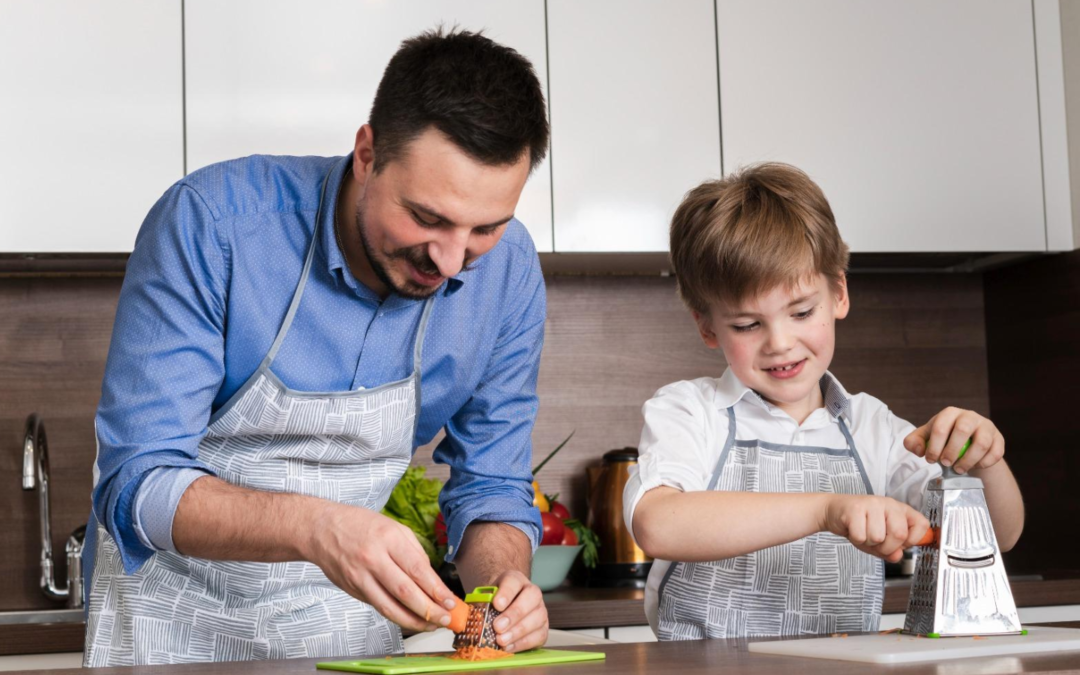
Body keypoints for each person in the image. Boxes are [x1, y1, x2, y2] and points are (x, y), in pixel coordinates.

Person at [84, 28, 552, 666]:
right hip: (171, 628)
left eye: (485, 228)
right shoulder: (211, 225)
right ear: (367, 154)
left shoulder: (510, 273)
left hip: (345, 640)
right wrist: (318, 525)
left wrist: (503, 589)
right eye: (427, 217)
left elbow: (492, 486)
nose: (450, 261)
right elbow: (137, 484)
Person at [623, 163, 1024, 639]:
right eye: (747, 325)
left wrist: (986, 463)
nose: (779, 343)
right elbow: (658, 525)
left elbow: (996, 537)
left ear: (838, 293)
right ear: (707, 327)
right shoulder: (690, 411)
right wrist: (825, 511)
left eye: (801, 312)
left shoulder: (872, 427)